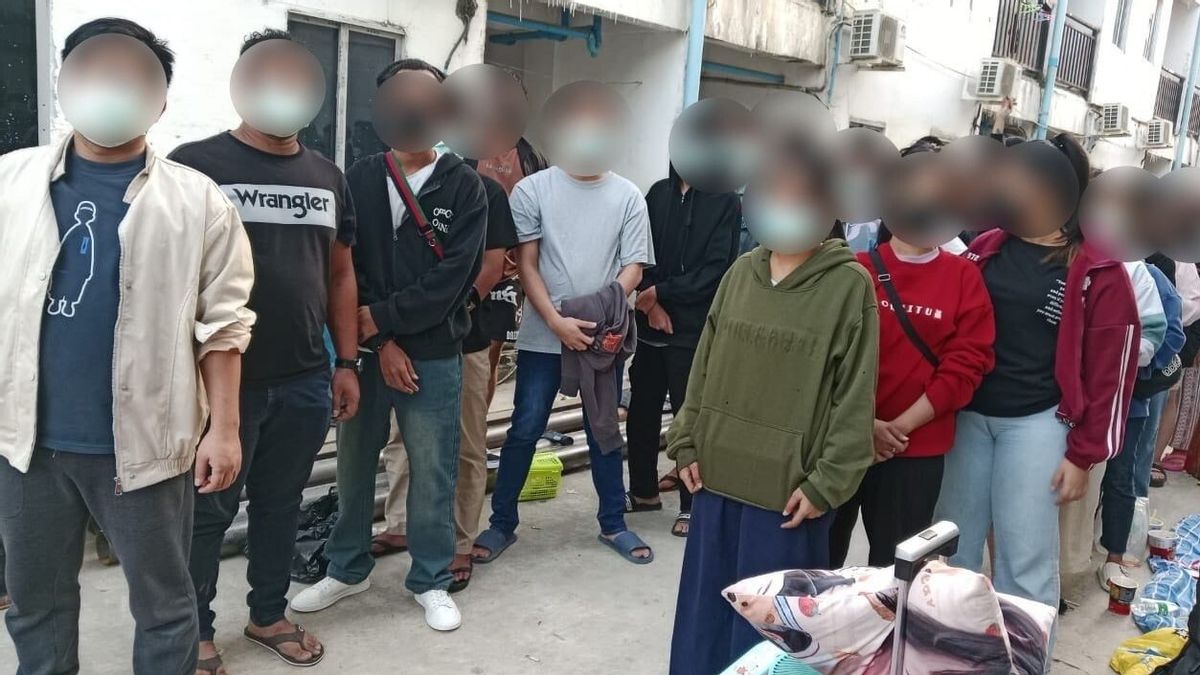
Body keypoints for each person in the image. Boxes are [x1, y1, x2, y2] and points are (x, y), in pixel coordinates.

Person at [0, 18, 255, 675]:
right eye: (93, 72)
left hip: (144, 445)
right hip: (25, 445)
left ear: (159, 101)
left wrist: (224, 430)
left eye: (132, 77)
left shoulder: (199, 202)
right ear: (63, 85)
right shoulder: (10, 183)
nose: (110, 89)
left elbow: (224, 325)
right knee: (34, 601)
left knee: (165, 606)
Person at [169, 29, 360, 672]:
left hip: (305, 374)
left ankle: (268, 614)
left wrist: (345, 362)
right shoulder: (194, 165)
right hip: (219, 380)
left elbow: (340, 274)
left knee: (281, 503)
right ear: (243, 83)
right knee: (207, 511)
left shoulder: (327, 176)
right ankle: (196, 632)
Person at [289, 58, 486, 632]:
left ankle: (430, 577)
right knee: (353, 464)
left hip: (433, 353)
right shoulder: (359, 177)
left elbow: (451, 282)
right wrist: (383, 340)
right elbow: (346, 268)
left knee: (432, 467)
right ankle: (347, 568)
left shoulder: (465, 186)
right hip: (366, 353)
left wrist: (385, 322)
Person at [668, 142, 879, 674]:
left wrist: (827, 482)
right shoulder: (741, 272)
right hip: (715, 481)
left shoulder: (848, 284)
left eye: (799, 195)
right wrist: (686, 439)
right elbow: (705, 363)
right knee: (704, 622)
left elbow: (854, 395)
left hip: (787, 497)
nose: (785, 205)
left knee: (771, 638)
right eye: (774, 193)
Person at [934, 139, 1140, 617]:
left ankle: (1025, 651)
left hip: (1038, 422)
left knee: (1024, 562)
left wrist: (1083, 456)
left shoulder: (1098, 269)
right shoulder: (987, 246)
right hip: (968, 418)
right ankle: (949, 645)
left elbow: (1112, 374)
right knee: (951, 549)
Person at [471, 82, 656, 566]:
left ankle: (613, 523)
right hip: (543, 336)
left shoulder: (628, 197)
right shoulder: (534, 190)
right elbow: (526, 263)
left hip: (602, 338)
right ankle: (501, 523)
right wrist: (555, 321)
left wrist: (599, 315)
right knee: (525, 427)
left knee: (603, 431)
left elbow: (634, 268)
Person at [829, 152, 996, 568]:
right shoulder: (855, 269)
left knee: (895, 571)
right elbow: (828, 357)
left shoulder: (964, 277)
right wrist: (863, 425)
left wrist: (898, 428)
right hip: (842, 441)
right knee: (821, 560)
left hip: (915, 449)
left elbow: (966, 365)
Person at [375, 171, 517, 592]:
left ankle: (458, 541)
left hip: (465, 339)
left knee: (466, 440)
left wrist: (453, 309)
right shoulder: (393, 183)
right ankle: (401, 524)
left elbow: (492, 264)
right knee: (401, 436)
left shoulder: (484, 190)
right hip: (406, 339)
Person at [626, 164, 741, 537]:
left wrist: (663, 294)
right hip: (650, 323)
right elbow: (639, 253)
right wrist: (652, 304)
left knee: (688, 417)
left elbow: (716, 269)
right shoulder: (657, 193)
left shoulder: (724, 200)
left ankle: (692, 506)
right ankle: (643, 492)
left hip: (692, 329)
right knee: (641, 411)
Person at [1098, 260, 1182, 589]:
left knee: (1121, 477)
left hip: (1129, 400)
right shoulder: (1082, 263)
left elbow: (1172, 334)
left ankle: (1114, 556)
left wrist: (1135, 369)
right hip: (1083, 398)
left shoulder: (1150, 276)